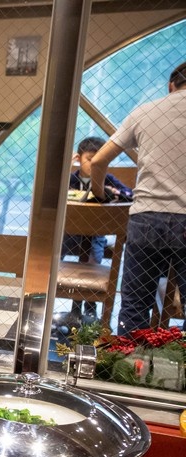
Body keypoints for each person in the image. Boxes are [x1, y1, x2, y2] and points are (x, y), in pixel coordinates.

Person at [88, 60, 186, 335]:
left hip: (147, 217)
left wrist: (100, 193)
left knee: (134, 303)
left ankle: (128, 369)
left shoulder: (148, 111)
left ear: (171, 86)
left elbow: (98, 161)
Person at [65, 136, 134, 265]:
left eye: (101, 161)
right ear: (78, 159)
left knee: (95, 260)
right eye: (90, 160)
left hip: (96, 232)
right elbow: (54, 190)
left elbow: (130, 194)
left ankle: (89, 281)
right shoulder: (70, 180)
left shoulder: (107, 179)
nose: (95, 165)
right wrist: (66, 168)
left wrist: (114, 192)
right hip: (70, 229)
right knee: (56, 251)